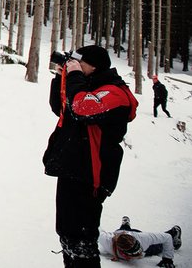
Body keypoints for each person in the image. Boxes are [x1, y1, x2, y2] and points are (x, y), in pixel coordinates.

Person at [44, 45, 138, 267]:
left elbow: (82, 107)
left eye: (79, 62)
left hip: (91, 176)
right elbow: (61, 108)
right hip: (71, 169)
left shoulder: (115, 92)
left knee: (82, 239)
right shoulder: (87, 86)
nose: (73, 65)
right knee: (67, 234)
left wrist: (75, 74)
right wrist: (61, 77)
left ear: (94, 66)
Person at [98, 215, 181, 266]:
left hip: (135, 234)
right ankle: (125, 226)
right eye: (134, 254)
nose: (140, 254)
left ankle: (174, 232)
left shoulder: (144, 239)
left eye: (139, 250)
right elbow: (95, 229)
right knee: (119, 231)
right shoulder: (107, 241)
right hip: (118, 233)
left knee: (157, 247)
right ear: (123, 252)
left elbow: (167, 237)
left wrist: (167, 259)